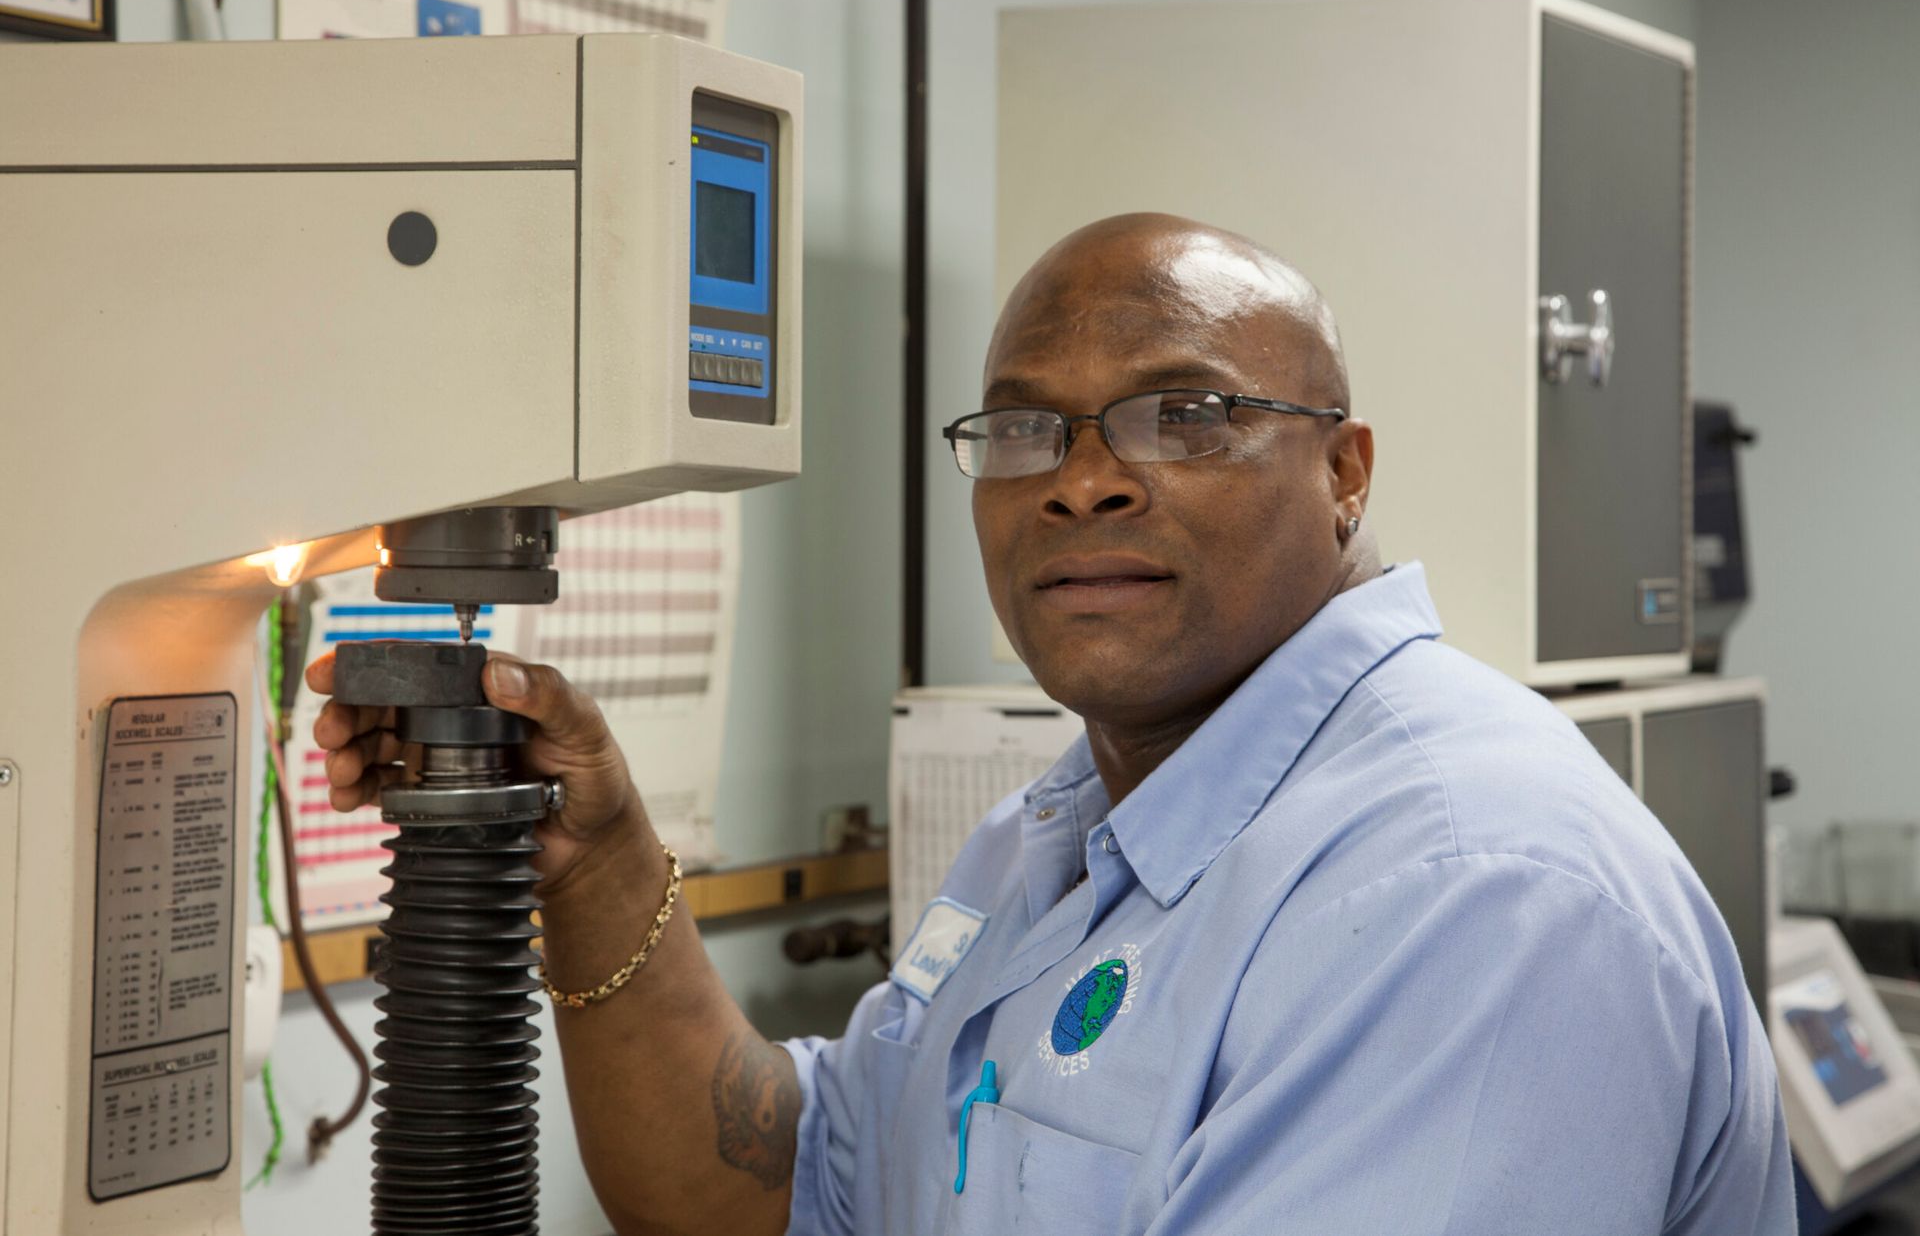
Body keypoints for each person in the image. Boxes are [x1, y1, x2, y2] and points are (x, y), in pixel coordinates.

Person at [310, 213, 1794, 1234]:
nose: (1082, 479)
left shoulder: (1466, 895)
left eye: (1185, 413)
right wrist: (601, 864)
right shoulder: (1062, 835)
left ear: (1345, 470)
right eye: (1026, 428)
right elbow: (790, 1191)